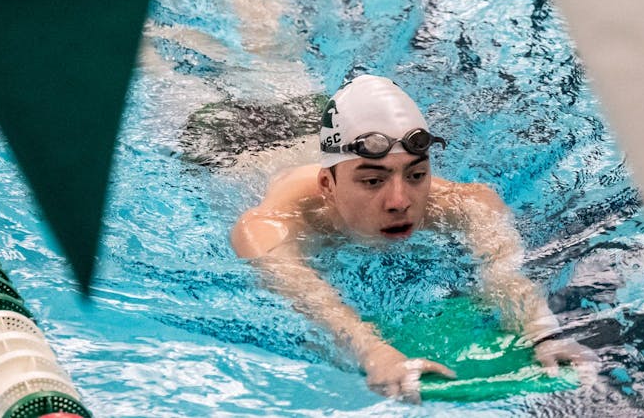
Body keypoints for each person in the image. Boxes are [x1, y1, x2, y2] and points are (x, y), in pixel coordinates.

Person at [230, 74, 597, 402]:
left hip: (308, 116)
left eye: (416, 174)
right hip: (228, 140)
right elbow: (317, 307)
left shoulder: (463, 204)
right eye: (373, 181)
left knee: (275, 60)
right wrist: (375, 353)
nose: (400, 201)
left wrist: (542, 333)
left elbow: (502, 273)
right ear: (327, 185)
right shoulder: (268, 227)